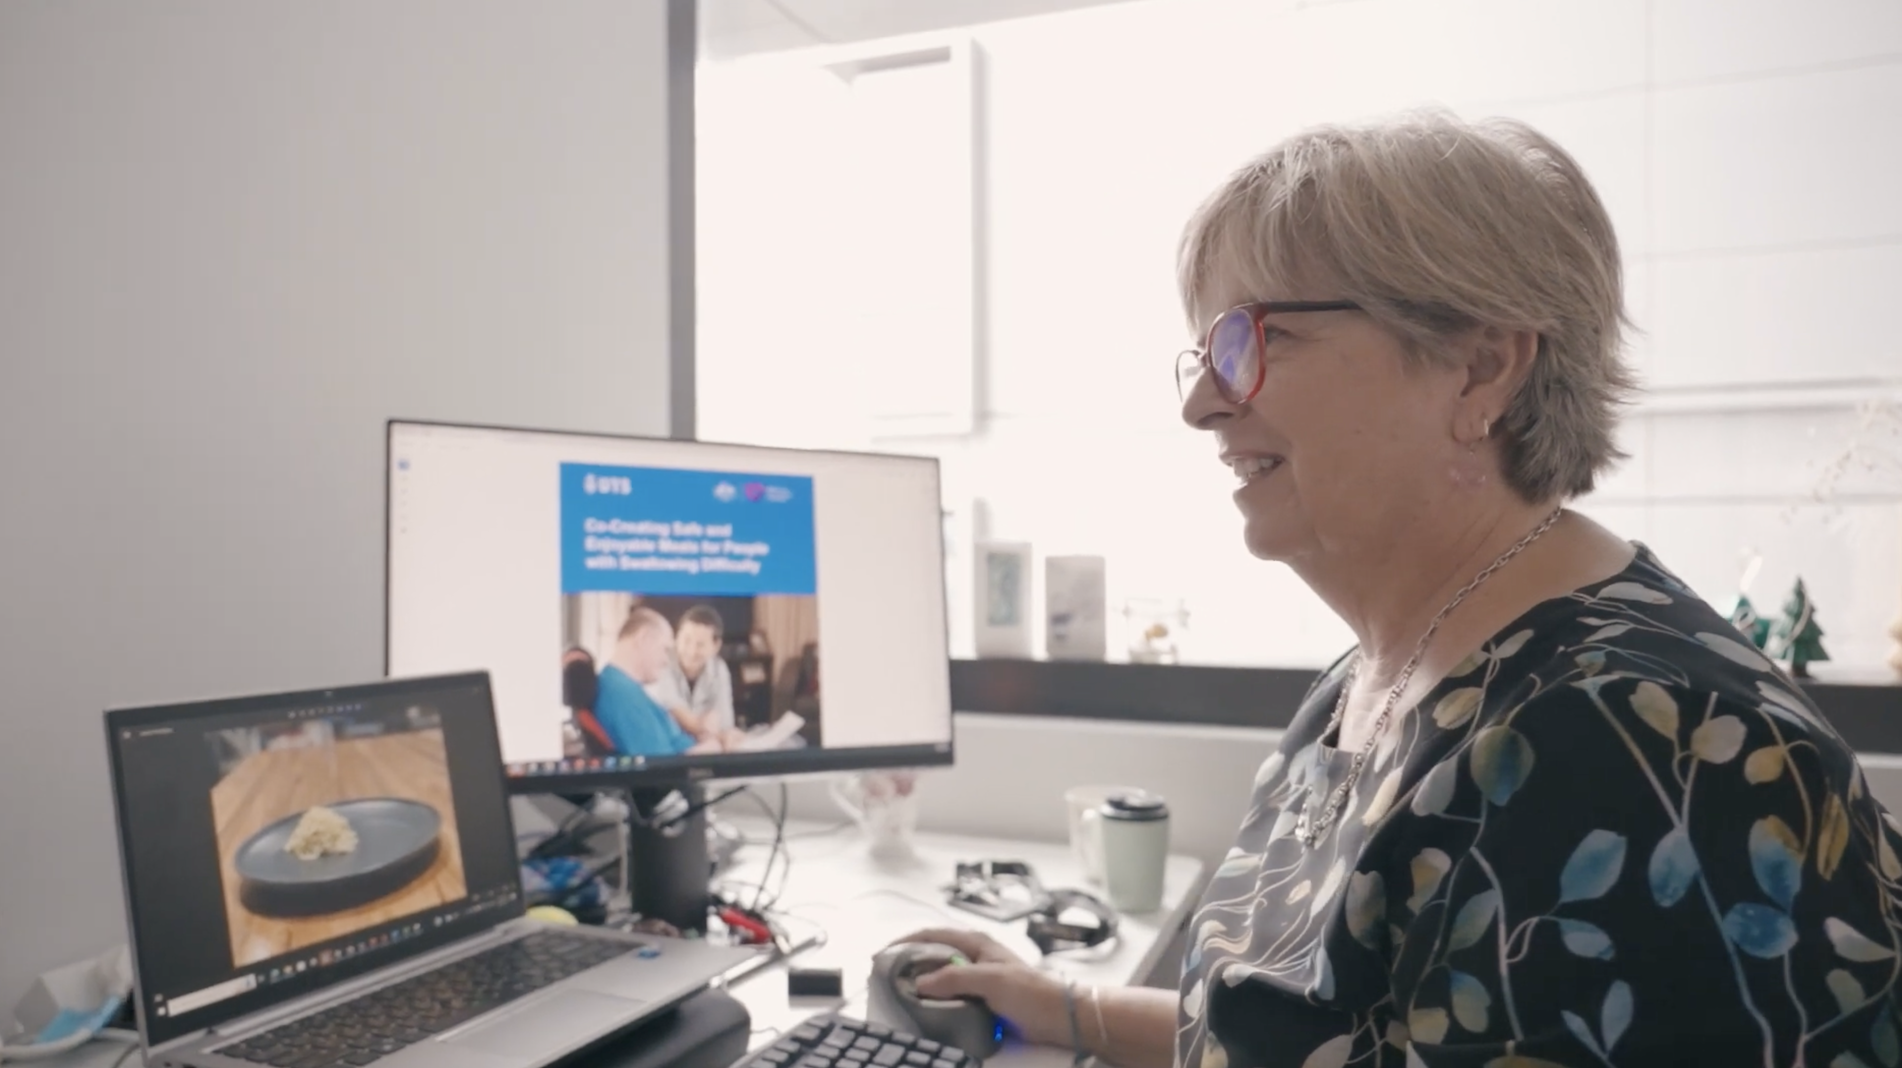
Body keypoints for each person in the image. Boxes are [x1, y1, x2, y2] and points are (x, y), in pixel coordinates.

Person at [898, 112, 1902, 1067]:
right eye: (1206, 353)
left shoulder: (1641, 748)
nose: (1204, 402)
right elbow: (1318, 1032)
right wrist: (1065, 1006)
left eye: (1256, 340)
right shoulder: (1388, 669)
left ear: (1481, 367)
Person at [596, 607, 741, 756]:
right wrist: (715, 747)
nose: (666, 660)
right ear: (643, 639)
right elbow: (663, 769)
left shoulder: (624, 687)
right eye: (664, 649)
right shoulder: (624, 696)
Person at [648, 604, 738, 740]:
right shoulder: (663, 660)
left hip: (706, 744)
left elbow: (725, 723)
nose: (691, 651)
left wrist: (714, 728)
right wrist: (700, 725)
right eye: (686, 640)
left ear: (716, 646)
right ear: (677, 637)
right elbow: (670, 707)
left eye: (700, 644)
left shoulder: (719, 669)